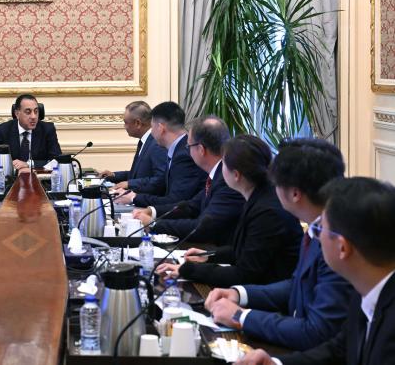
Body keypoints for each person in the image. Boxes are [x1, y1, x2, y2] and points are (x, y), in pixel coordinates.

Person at [206, 138, 353, 350]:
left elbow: (317, 332)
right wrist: (240, 294)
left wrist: (241, 316)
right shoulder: (317, 228)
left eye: (276, 183)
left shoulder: (337, 242)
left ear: (295, 194)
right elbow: (297, 285)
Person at [237, 177, 395, 365]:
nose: (315, 236)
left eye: (320, 229)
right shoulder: (365, 288)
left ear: (343, 248)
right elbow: (338, 350)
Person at [155, 135, 302, 287]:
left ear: (236, 175)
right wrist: (208, 255)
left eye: (223, 164)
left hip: (273, 293)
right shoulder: (259, 195)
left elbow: (244, 274)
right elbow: (244, 250)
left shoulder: (267, 211)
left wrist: (188, 270)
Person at [133, 116, 244, 245]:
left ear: (201, 150)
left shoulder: (228, 179)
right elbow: (191, 206)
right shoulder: (218, 173)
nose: (187, 151)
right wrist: (152, 211)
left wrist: (153, 224)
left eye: (188, 146)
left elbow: (203, 228)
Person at [116, 101, 207, 207]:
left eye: (152, 127)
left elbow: (176, 202)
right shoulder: (179, 149)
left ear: (160, 128)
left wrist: (134, 198)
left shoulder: (184, 155)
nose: (151, 132)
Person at [99, 101, 167, 194]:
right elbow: (137, 175)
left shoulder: (156, 144)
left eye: (126, 122)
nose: (124, 126)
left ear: (138, 123)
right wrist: (114, 175)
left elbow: (160, 180)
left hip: (145, 200)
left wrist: (129, 184)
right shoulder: (145, 141)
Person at [0, 94, 62, 170]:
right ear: (17, 114)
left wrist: (28, 164)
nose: (33, 116)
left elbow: (57, 160)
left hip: (39, 176)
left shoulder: (47, 129)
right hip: (11, 177)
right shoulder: (3, 130)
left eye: (36, 111)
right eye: (28, 112)